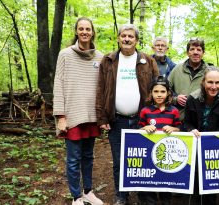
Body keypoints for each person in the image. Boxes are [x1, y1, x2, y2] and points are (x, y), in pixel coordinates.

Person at [95, 24, 159, 205]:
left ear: (136, 40)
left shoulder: (147, 60)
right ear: (118, 38)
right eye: (123, 35)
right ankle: (121, 196)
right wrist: (102, 117)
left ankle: (143, 194)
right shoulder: (108, 60)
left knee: (143, 159)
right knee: (119, 161)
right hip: (117, 120)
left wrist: (155, 115)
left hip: (142, 120)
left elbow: (157, 89)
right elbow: (100, 90)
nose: (127, 39)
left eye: (131, 36)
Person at [53, 17, 104, 205]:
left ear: (92, 32)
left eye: (88, 29)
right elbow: (58, 84)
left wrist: (103, 115)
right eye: (81, 29)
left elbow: (103, 88)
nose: (84, 32)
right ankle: (76, 196)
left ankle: (88, 191)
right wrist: (60, 116)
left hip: (91, 115)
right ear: (76, 31)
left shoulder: (99, 57)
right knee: (73, 159)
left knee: (88, 157)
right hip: (72, 114)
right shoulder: (65, 54)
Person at [184, 66, 219, 205]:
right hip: (194, 142)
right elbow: (187, 123)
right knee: (195, 181)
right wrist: (191, 130)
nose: (213, 86)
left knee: (210, 181)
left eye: (217, 83)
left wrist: (208, 143)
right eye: (210, 82)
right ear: (203, 82)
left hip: (214, 143)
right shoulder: (192, 98)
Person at [137, 76, 181, 205]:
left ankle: (165, 200)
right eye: (156, 91)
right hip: (150, 154)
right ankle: (150, 201)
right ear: (151, 93)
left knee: (165, 179)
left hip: (166, 156)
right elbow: (138, 130)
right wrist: (145, 127)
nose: (159, 95)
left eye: (162, 91)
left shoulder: (174, 111)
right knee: (151, 180)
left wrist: (173, 128)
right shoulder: (145, 111)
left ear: (168, 93)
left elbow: (179, 129)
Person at [168, 38, 208, 122]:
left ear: (203, 53)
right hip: (178, 119)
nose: (195, 52)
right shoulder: (177, 69)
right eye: (192, 49)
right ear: (187, 53)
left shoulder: (209, 72)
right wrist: (175, 99)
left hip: (201, 119)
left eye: (199, 50)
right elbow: (164, 90)